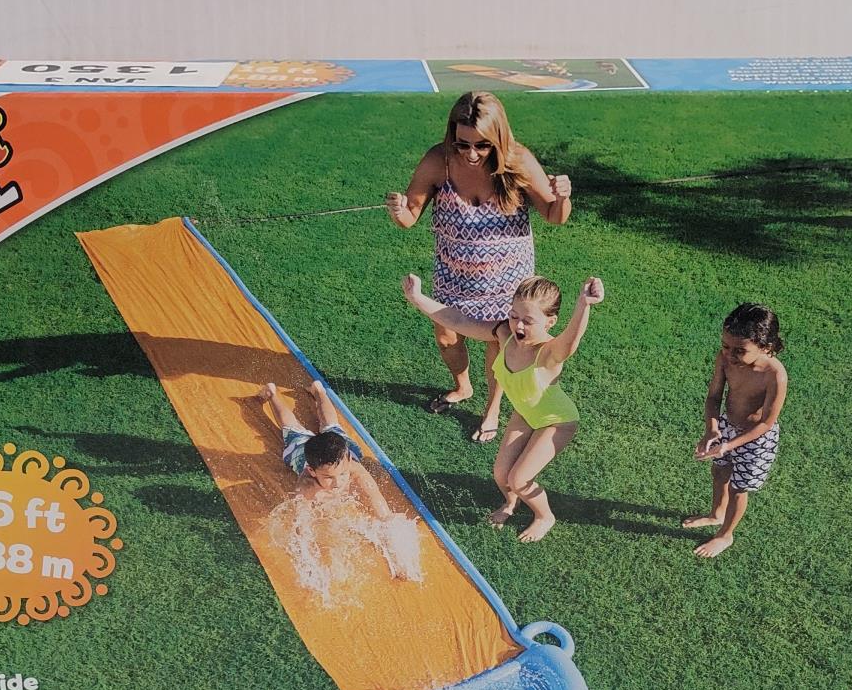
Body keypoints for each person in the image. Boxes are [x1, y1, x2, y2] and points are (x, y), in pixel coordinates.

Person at [386, 91, 573, 443]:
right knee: (447, 337)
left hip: (507, 278)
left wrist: (563, 197)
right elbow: (409, 217)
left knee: (499, 346)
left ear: (498, 138)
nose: (471, 154)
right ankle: (462, 386)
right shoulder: (439, 161)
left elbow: (554, 215)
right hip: (453, 272)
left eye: (483, 146)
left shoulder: (518, 161)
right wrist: (399, 211)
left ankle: (492, 408)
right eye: (463, 144)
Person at [401, 272, 604, 543]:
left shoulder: (548, 353)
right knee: (501, 474)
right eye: (514, 315)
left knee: (519, 478)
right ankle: (511, 503)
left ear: (550, 322)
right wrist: (417, 297)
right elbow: (458, 321)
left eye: (528, 321)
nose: (518, 325)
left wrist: (584, 305)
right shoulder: (504, 333)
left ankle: (545, 516)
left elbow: (570, 342)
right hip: (526, 413)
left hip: (556, 421)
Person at [684, 304, 789, 558]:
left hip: (756, 440)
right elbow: (713, 398)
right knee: (719, 472)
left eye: (740, 351)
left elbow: (766, 423)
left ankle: (725, 535)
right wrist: (712, 430)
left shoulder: (774, 375)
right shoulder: (725, 359)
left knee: (738, 488)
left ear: (766, 347)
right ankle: (716, 514)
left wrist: (729, 445)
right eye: (725, 346)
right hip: (726, 427)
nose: (730, 355)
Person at [256, 381, 393, 518]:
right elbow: (300, 521)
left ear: (349, 460)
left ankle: (319, 391)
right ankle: (272, 394)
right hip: (303, 453)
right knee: (292, 429)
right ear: (311, 471)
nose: (337, 483)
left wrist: (386, 522)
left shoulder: (356, 472)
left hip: (337, 446)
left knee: (332, 425)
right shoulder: (306, 485)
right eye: (328, 477)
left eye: (343, 474)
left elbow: (380, 508)